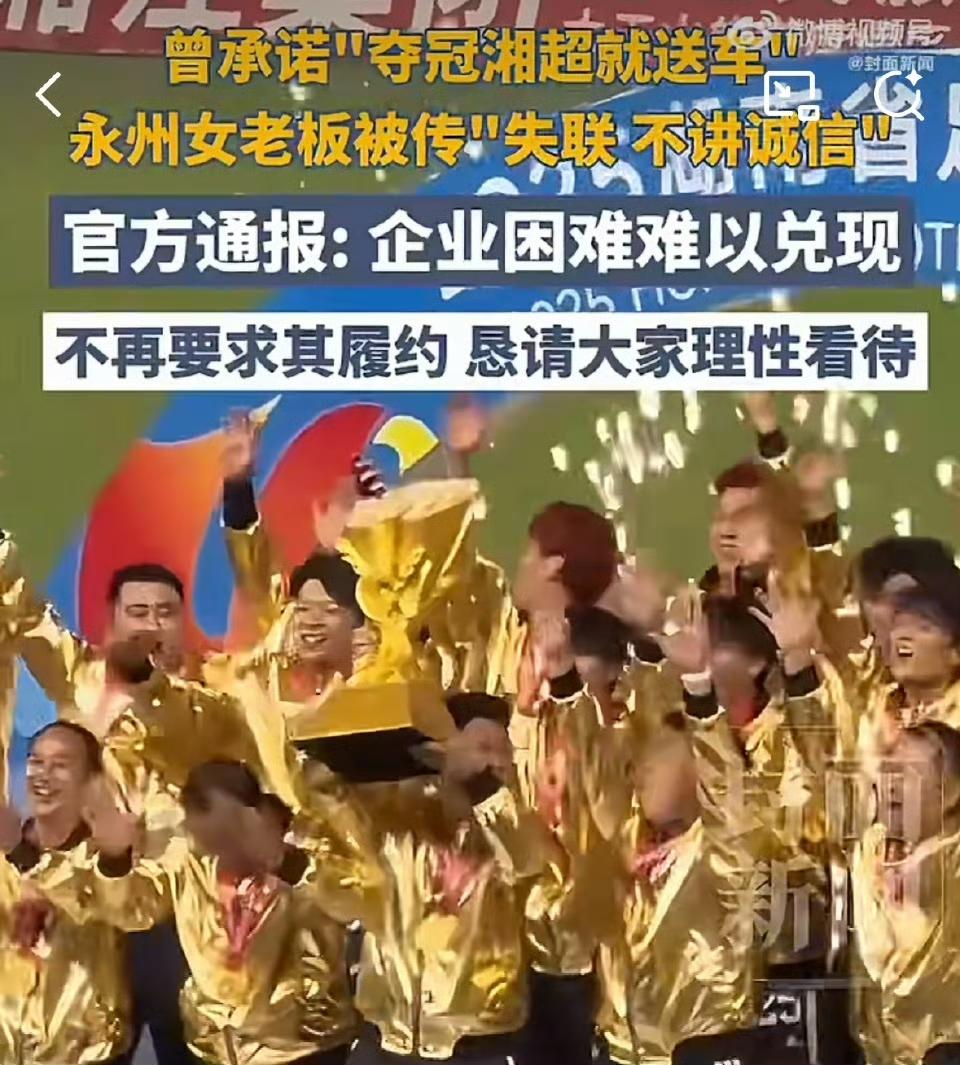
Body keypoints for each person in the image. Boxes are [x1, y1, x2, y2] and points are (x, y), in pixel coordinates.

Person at [27, 758, 383, 1065]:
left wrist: (290, 864)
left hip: (305, 1047)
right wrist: (115, 858)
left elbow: (360, 903)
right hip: (214, 1047)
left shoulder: (309, 842)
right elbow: (132, 909)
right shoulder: (188, 858)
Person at [345, 710, 548, 1065]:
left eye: (504, 750)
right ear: (445, 751)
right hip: (387, 1034)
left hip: (475, 1040)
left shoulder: (514, 824)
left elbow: (526, 862)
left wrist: (486, 795)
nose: (496, 760)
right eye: (483, 747)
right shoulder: (401, 814)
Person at [0, 722, 135, 1064]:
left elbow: (108, 905)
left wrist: (22, 856)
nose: (42, 776)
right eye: (36, 762)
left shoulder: (110, 860)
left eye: (60, 765)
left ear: (92, 781)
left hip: (86, 1054)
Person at [851, 720, 960, 1065]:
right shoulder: (870, 851)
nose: (892, 784)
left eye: (909, 774)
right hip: (878, 1050)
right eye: (888, 771)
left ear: (949, 791)